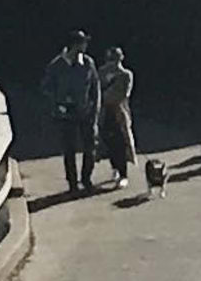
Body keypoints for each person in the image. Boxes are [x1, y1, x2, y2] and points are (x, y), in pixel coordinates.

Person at [42, 32, 101, 196]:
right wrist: (59, 102)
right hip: (66, 114)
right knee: (70, 149)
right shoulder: (56, 65)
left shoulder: (88, 63)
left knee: (90, 147)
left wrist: (95, 110)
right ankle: (72, 183)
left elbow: (95, 87)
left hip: (85, 113)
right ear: (74, 45)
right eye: (82, 43)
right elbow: (46, 88)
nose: (85, 46)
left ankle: (86, 179)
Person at [95, 44, 140, 194]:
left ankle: (123, 173)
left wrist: (104, 96)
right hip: (104, 113)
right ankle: (114, 167)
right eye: (110, 59)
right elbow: (95, 91)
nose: (112, 62)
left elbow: (121, 94)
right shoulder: (100, 73)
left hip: (119, 113)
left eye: (115, 59)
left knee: (121, 143)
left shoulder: (126, 75)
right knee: (107, 141)